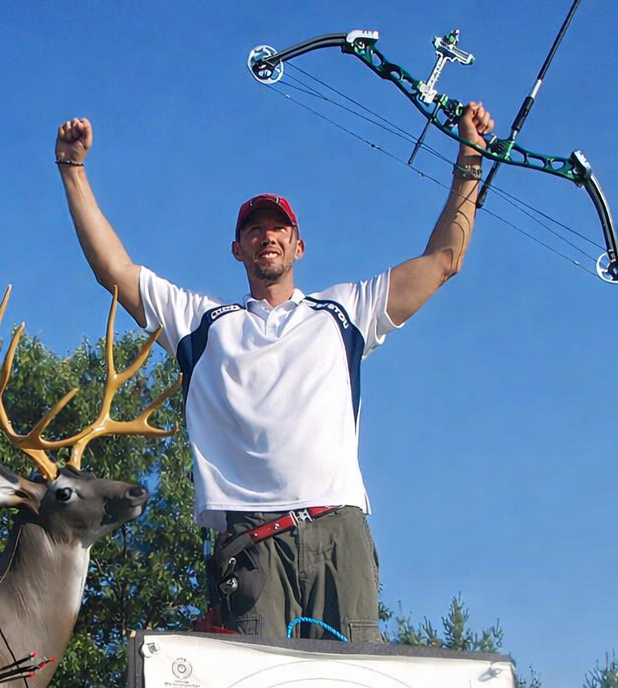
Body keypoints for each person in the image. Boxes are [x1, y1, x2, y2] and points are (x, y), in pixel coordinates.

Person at [54, 102, 496, 643]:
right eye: (255, 229)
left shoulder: (344, 311)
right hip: (251, 541)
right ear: (238, 248)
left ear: (298, 245)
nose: (268, 236)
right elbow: (114, 271)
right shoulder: (202, 321)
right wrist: (73, 171)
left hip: (339, 529)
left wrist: (469, 159)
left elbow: (444, 260)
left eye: (279, 227)